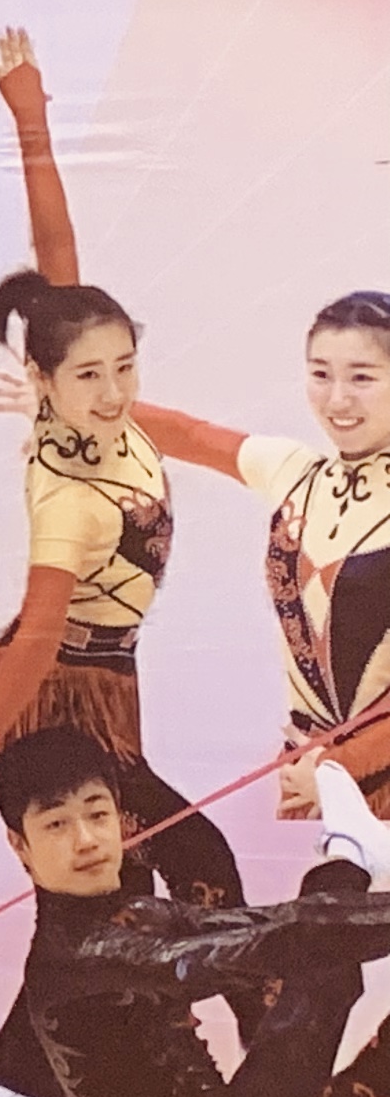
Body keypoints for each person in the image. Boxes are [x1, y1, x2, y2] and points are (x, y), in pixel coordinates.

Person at [0, 30, 241, 1097]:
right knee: (185, 862)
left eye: (124, 368)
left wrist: (30, 114)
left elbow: (60, 255)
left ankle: (18, 1079)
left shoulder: (114, 407)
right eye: (88, 376)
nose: (112, 391)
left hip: (109, 682)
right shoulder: (63, 494)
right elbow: (33, 636)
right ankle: (172, 1062)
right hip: (57, 689)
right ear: (42, 382)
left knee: (105, 886)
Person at [0, 726, 390, 1097]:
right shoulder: (75, 959)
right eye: (56, 824)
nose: (86, 840)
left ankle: (350, 851)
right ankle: (351, 854)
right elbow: (262, 945)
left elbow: (268, 926)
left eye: (98, 815)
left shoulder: (134, 914)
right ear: (20, 845)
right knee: (307, 955)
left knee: (317, 970)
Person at [130, 289, 390, 817]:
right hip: (318, 772)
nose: (338, 400)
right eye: (320, 374)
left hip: (355, 771)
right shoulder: (295, 473)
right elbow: (188, 434)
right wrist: (66, 408)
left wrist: (338, 769)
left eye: (362, 378)